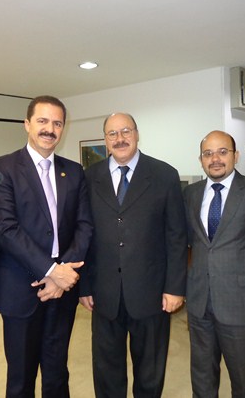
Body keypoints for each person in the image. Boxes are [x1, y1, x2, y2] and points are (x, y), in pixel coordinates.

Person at [0, 95, 93, 398]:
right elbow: (5, 228)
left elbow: (84, 225)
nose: (50, 129)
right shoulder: (2, 167)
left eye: (57, 123)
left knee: (57, 372)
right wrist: (51, 271)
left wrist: (63, 274)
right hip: (20, 288)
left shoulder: (74, 171)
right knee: (21, 378)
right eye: (43, 121)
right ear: (27, 124)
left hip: (63, 289)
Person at [79, 112, 188, 398]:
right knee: (106, 372)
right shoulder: (89, 177)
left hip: (152, 294)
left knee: (150, 373)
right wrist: (84, 285)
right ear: (105, 140)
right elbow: (83, 235)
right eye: (112, 134)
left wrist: (175, 287)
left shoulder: (164, 175)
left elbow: (176, 236)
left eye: (126, 131)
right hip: (104, 295)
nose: (120, 138)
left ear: (137, 134)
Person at [183, 130, 245, 398]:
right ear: (201, 159)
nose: (215, 159)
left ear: (236, 155)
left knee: (243, 381)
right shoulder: (190, 194)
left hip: (240, 305)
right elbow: (186, 243)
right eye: (208, 153)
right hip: (199, 303)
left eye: (222, 152)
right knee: (202, 380)